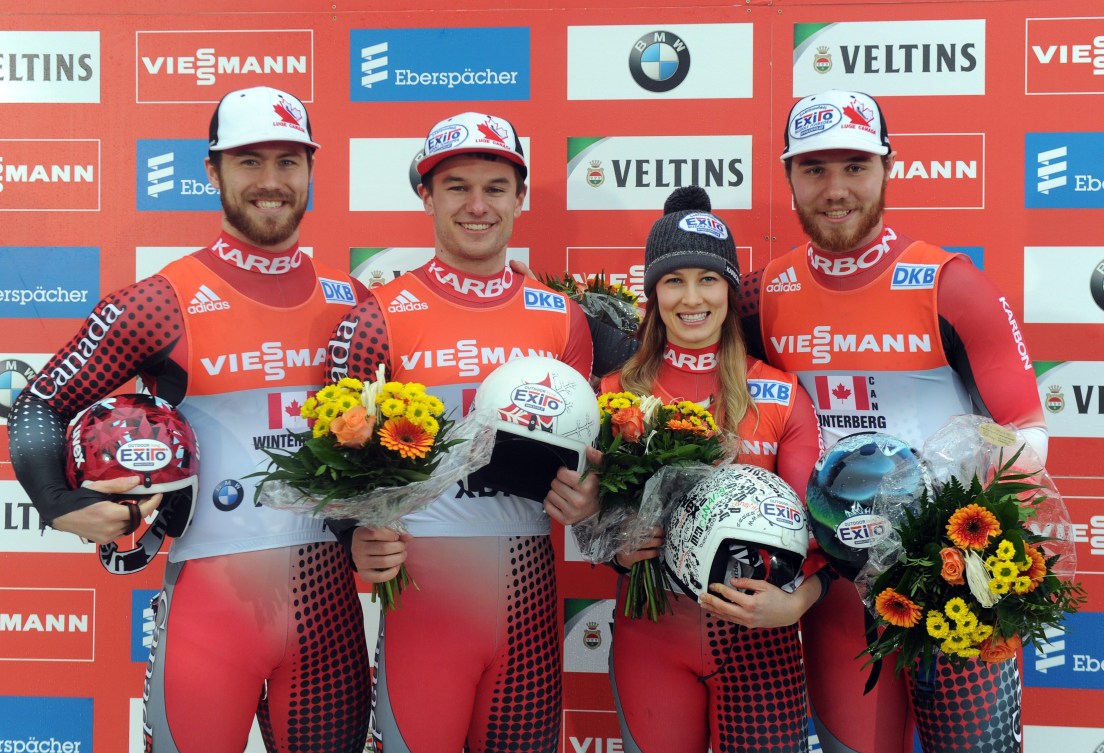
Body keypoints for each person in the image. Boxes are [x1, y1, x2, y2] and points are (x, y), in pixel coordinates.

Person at [8, 86, 372, 753]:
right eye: (249, 161)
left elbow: (374, 463)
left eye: (289, 161)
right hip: (211, 615)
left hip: (329, 621)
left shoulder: (352, 301)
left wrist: (368, 531)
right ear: (212, 171)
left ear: (313, 171)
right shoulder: (162, 301)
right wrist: (58, 503)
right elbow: (39, 400)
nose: (270, 181)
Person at [738, 89, 1048, 753]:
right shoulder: (764, 296)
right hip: (837, 593)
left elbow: (1027, 431)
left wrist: (962, 533)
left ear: (889, 167)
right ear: (788, 177)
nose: (836, 188)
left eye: (856, 166)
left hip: (954, 582)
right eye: (814, 169)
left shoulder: (949, 282)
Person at [325, 111, 600, 753]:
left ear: (521, 197)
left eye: (496, 187)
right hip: (423, 609)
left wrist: (589, 498)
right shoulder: (379, 315)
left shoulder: (563, 321)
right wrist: (353, 533)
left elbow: (591, 463)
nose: (477, 206)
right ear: (426, 195)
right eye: (456, 186)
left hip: (527, 612)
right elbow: (335, 459)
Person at [602, 185, 826, 753]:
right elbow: (589, 516)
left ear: (730, 288)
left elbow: (817, 534)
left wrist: (797, 602)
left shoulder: (778, 393)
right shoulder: (613, 394)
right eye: (674, 280)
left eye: (709, 278)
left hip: (760, 646)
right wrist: (616, 550)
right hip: (651, 639)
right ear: (653, 292)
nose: (691, 297)